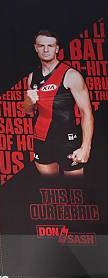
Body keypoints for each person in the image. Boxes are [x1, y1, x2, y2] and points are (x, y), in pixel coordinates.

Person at [23, 30, 94, 177]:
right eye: (41, 45)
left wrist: (86, 147)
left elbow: (86, 112)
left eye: (50, 45)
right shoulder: (32, 77)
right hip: (42, 140)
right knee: (50, 188)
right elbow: (28, 111)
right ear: (36, 48)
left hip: (68, 142)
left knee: (76, 190)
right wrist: (28, 102)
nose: (46, 49)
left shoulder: (71, 75)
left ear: (57, 48)